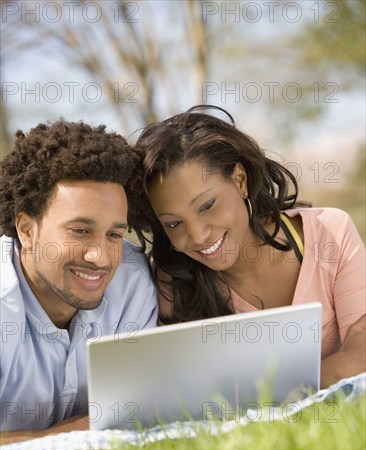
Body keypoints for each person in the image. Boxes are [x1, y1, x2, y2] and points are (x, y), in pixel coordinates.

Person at [130, 105, 365, 388]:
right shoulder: (174, 279)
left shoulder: (330, 233)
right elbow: (189, 395)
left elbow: (361, 359)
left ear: (239, 179)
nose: (199, 234)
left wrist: (258, 392)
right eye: (174, 224)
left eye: (207, 205)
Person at [0, 120, 158, 440]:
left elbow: (140, 409)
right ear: (27, 230)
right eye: (80, 231)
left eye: (114, 234)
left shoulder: (133, 285)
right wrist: (78, 431)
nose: (100, 257)